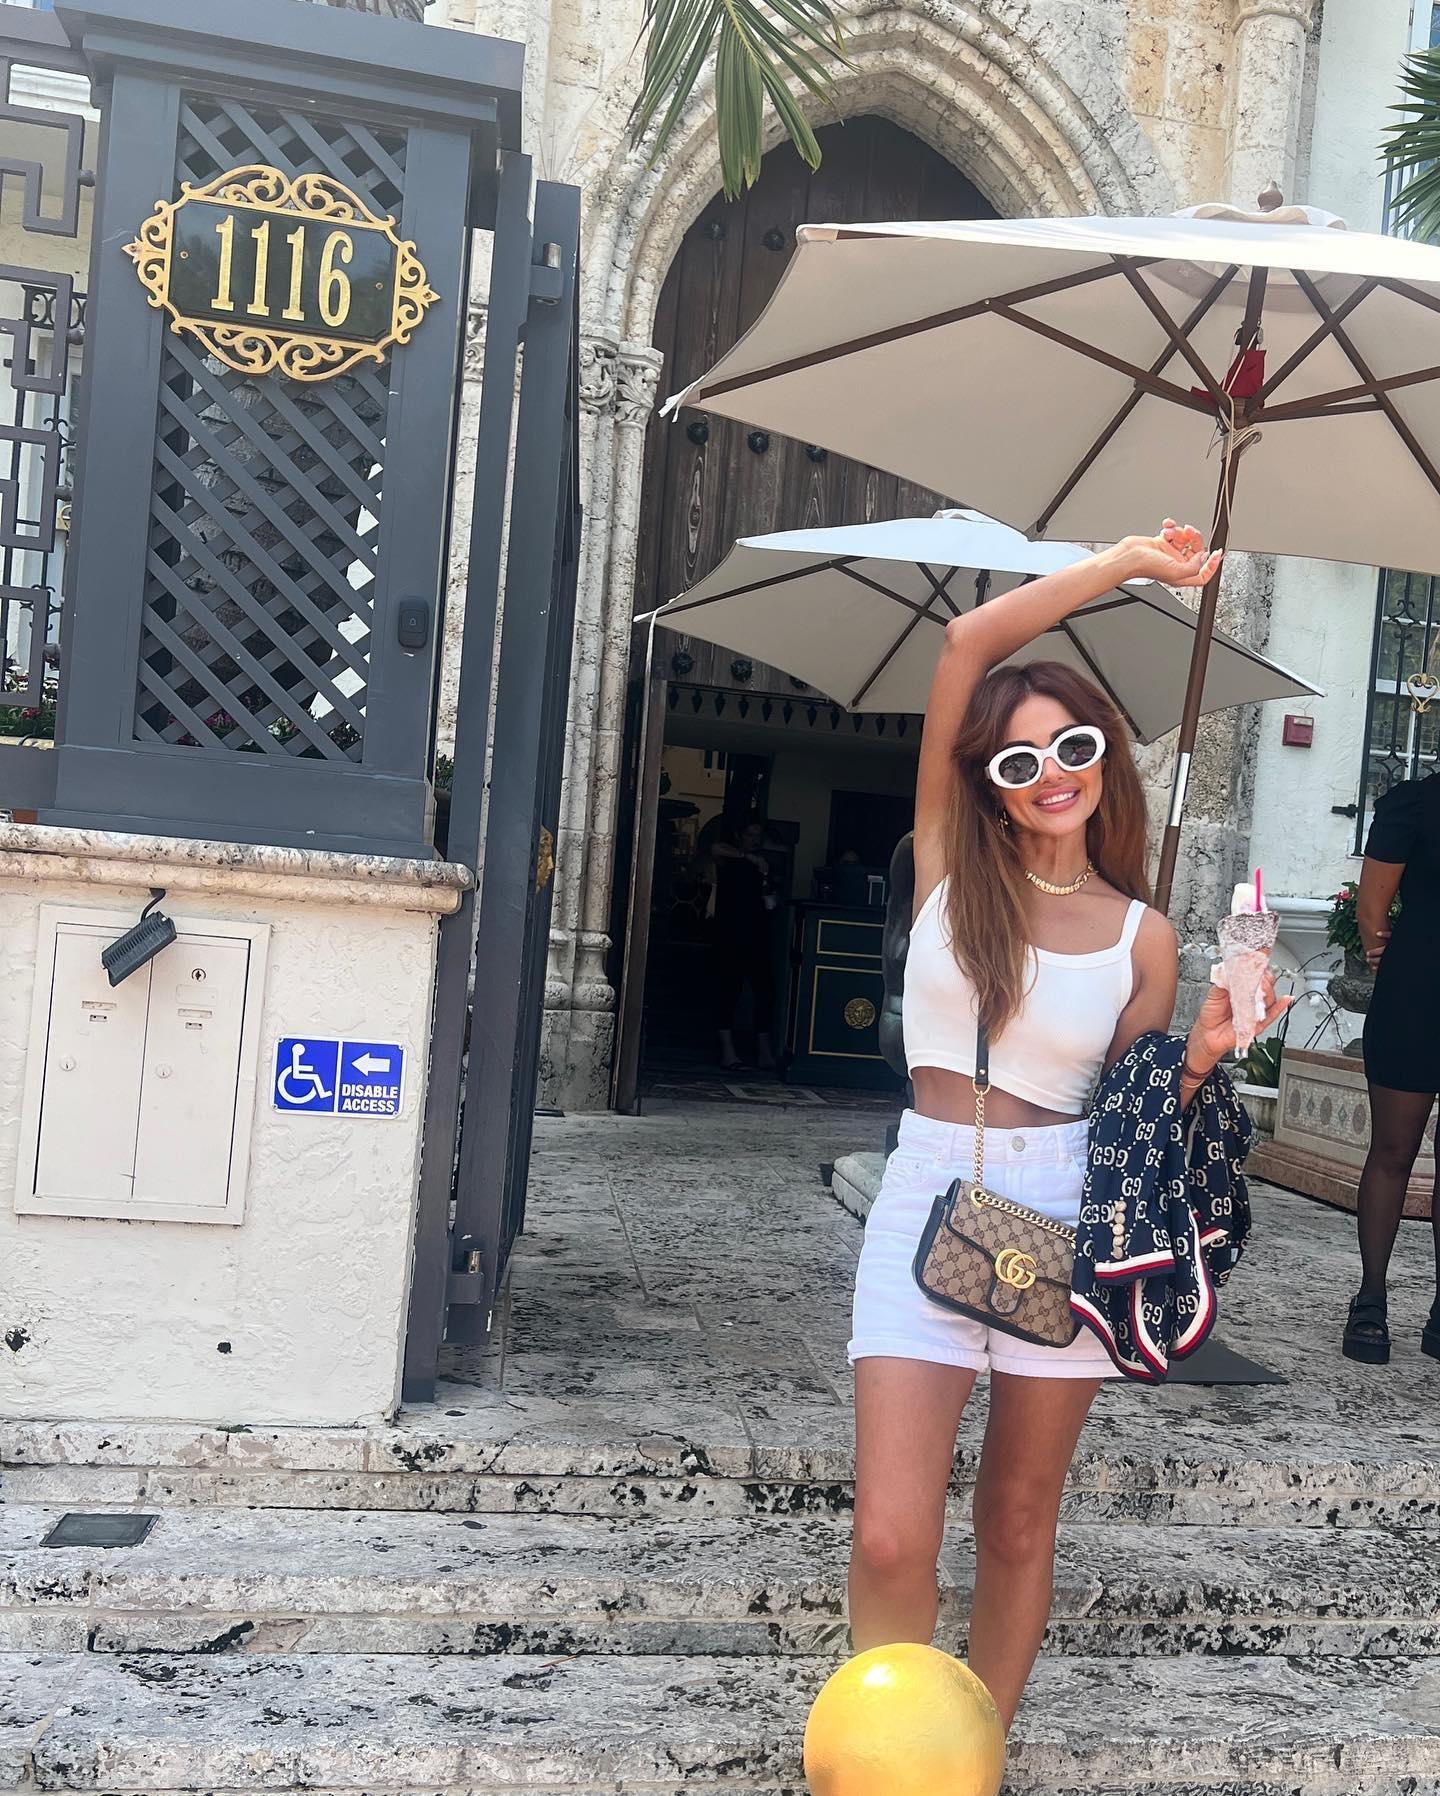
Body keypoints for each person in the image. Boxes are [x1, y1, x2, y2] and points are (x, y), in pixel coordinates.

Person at [846, 521, 1287, 1731]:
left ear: (1106, 758)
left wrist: (1204, 1053)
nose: (1051, 771)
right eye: (1020, 756)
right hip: (934, 1184)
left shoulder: (1145, 933)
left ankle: (973, 1745)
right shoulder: (948, 868)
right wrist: (1127, 564)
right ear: (986, 777)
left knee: (1016, 1516)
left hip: (1067, 1209)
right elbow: (967, 641)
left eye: (1074, 745)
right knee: (891, 1532)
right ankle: (888, 1743)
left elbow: (1142, 1123)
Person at [1343, 773, 1440, 1365]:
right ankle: (1371, 1298)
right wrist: (1394, 957)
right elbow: (1371, 910)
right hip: (1417, 992)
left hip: (1416, 979)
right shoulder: (1417, 803)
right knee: (1393, 1150)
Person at [710, 817, 778, 1072]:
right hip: (730, 934)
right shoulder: (729, 857)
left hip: (758, 935)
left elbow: (770, 900)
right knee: (729, 991)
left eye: (758, 836)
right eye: (750, 834)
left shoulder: (765, 864)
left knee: (765, 992)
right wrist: (747, 857)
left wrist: (767, 885)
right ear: (740, 836)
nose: (755, 840)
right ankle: (728, 1052)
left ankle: (764, 1051)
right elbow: (715, 849)